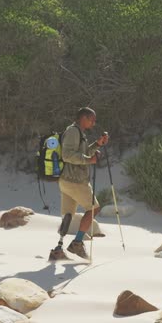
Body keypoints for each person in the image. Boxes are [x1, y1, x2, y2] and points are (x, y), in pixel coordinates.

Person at [49, 107, 109, 260]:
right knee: (94, 209)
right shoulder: (73, 131)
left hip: (67, 181)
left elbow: (81, 153)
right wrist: (89, 160)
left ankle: (58, 250)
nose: (94, 123)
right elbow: (68, 155)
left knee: (68, 215)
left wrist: (97, 144)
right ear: (84, 118)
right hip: (75, 181)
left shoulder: (78, 132)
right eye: (92, 119)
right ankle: (77, 242)